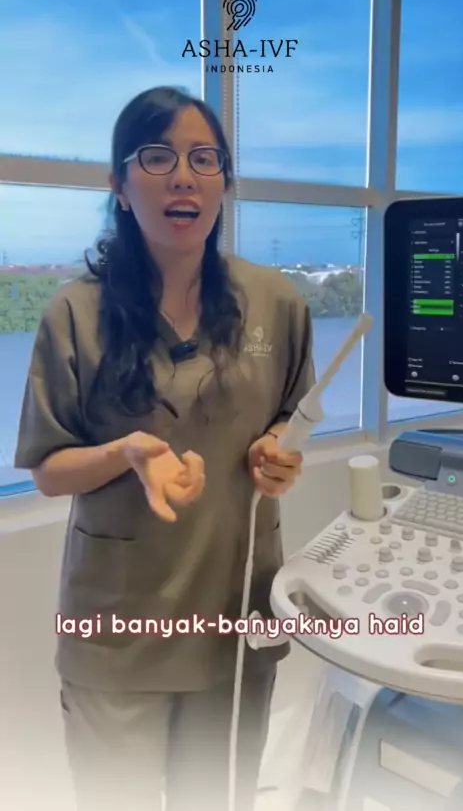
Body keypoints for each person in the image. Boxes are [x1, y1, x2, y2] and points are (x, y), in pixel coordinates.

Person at [14, 85, 315, 811]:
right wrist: (124, 454)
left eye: (204, 159)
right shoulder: (75, 313)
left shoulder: (276, 302)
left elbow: (292, 415)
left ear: (223, 184)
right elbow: (50, 470)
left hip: (234, 614)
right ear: (119, 186)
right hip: (117, 628)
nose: (184, 176)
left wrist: (277, 451)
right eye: (157, 157)